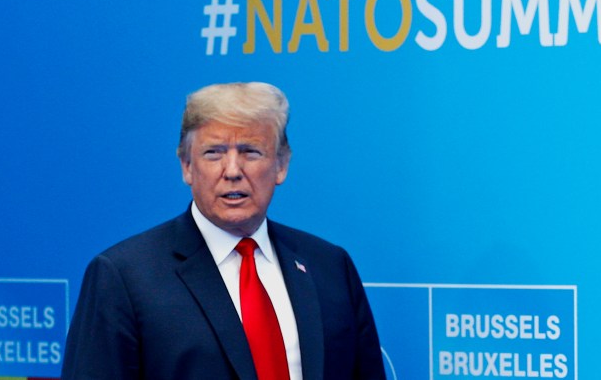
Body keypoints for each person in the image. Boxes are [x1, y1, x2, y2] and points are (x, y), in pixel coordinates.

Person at [61, 82, 386, 379]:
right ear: (187, 166)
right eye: (213, 152)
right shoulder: (124, 278)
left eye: (250, 152)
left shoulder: (329, 266)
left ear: (281, 165)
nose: (232, 171)